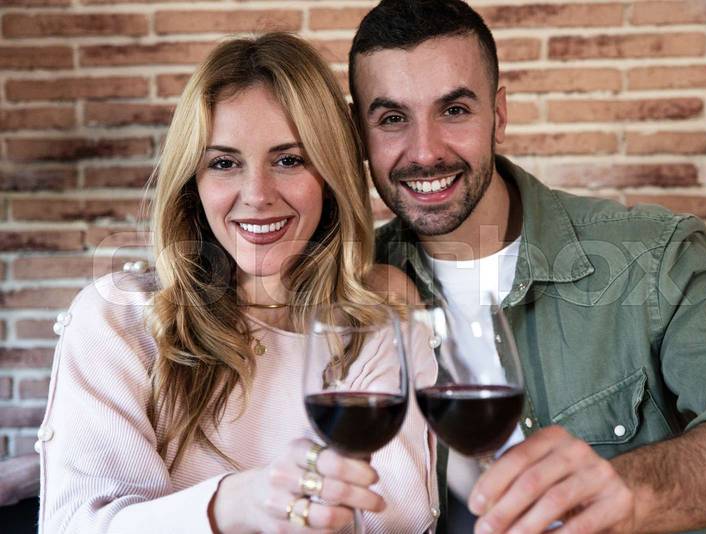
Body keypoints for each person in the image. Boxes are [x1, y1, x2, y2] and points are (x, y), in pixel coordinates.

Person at [348, 1, 706, 532]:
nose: (425, 152)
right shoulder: (346, 287)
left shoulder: (649, 255)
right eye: (393, 118)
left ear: (498, 113)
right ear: (359, 133)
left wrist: (634, 490)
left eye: (454, 110)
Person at [37, 32, 438, 534]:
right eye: (224, 163)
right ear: (193, 183)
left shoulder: (378, 322)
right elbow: (79, 524)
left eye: (289, 159)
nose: (257, 194)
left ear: (331, 175)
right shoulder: (118, 320)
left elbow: (394, 522)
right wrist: (232, 504)